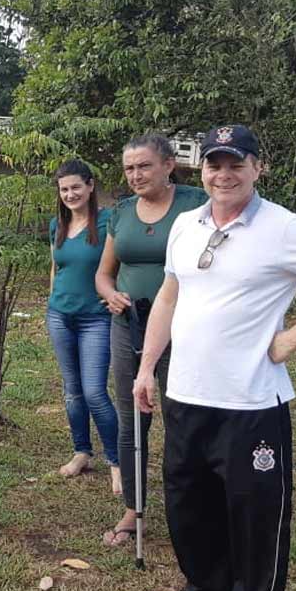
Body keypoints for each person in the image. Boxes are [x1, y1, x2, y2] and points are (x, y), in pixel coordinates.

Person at [133, 125, 296, 591]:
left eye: (236, 164)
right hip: (187, 393)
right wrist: (148, 365)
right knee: (189, 501)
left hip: (250, 401)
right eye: (215, 164)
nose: (224, 174)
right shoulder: (186, 225)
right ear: (202, 170)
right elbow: (170, 297)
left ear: (258, 168)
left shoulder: (284, 228)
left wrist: (290, 340)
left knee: (252, 510)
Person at [95, 133, 209, 546]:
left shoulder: (197, 203)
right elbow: (105, 272)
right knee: (131, 418)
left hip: (184, 329)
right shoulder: (121, 212)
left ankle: (192, 505)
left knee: (183, 418)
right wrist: (109, 294)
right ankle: (133, 507)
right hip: (128, 326)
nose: (136, 175)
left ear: (167, 165)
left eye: (144, 166)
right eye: (129, 168)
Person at [46, 160, 120, 489]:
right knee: (72, 392)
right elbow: (55, 268)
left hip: (96, 319)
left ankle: (117, 461)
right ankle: (82, 451)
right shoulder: (56, 225)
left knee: (94, 392)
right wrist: (51, 302)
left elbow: (121, 263)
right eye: (64, 189)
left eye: (76, 187)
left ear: (90, 186)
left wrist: (116, 294)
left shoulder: (108, 222)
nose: (70, 194)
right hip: (60, 316)